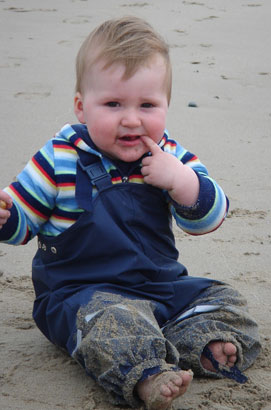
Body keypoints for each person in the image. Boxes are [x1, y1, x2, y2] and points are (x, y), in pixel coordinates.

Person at [0, 16, 260, 410]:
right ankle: (147, 376)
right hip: (82, 295)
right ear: (81, 107)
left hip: (159, 289)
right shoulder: (60, 159)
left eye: (148, 105)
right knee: (111, 326)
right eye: (113, 104)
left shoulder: (170, 157)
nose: (132, 119)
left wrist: (182, 182)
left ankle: (204, 345)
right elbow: (21, 221)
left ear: (166, 106)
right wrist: (6, 216)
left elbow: (210, 215)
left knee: (221, 299)